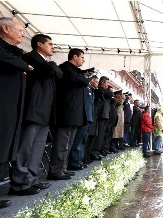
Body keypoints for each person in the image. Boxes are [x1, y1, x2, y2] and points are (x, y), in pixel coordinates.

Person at [9, 34, 63, 196]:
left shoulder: (44, 61)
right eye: (50, 44)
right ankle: (18, 183)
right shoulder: (30, 57)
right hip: (33, 109)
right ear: (39, 45)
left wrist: (53, 66)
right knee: (25, 147)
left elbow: (58, 72)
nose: (53, 47)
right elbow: (52, 70)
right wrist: (52, 65)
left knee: (37, 148)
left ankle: (30, 179)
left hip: (45, 112)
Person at [0, 17, 33, 210]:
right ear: (5, 28)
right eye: (19, 29)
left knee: (2, 150)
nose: (22, 34)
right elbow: (0, 58)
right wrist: (24, 65)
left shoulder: (13, 52)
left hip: (10, 109)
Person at [49, 48, 92, 180]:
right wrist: (87, 77)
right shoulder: (66, 68)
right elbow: (82, 81)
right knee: (62, 143)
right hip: (67, 112)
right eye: (82, 57)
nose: (83, 60)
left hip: (74, 113)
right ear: (74, 57)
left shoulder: (76, 71)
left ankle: (62, 167)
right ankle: (55, 170)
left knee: (68, 143)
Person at [68, 72, 97, 170]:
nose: (94, 81)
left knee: (83, 141)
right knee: (77, 141)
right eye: (92, 79)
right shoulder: (83, 88)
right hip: (84, 117)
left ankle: (80, 161)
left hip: (89, 118)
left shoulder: (90, 89)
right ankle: (74, 162)